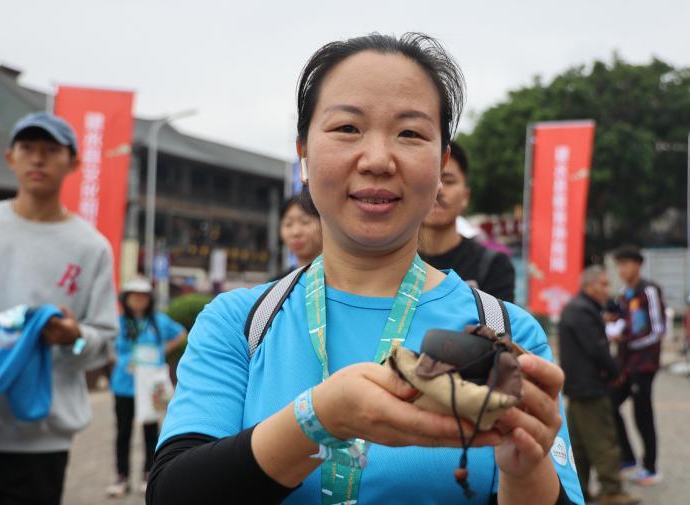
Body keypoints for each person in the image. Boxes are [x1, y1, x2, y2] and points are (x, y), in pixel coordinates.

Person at [146, 33, 584, 505]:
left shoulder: (507, 333)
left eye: (410, 133)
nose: (377, 160)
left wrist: (525, 470)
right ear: (303, 154)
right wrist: (319, 419)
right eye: (347, 128)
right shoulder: (238, 322)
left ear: (441, 164)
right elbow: (172, 494)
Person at [0, 112, 119, 505]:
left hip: (41, 438)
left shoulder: (91, 247)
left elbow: (103, 342)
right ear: (10, 157)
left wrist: (74, 337)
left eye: (50, 149)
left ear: (73, 162)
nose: (38, 158)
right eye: (27, 148)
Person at [559, 266, 639, 505]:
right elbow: (597, 348)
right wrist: (616, 371)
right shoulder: (583, 310)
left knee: (579, 444)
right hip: (590, 387)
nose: (607, 289)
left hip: (577, 387)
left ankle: (579, 490)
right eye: (603, 284)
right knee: (603, 440)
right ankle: (611, 490)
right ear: (589, 285)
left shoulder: (578, 308)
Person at [106, 277, 187, 497]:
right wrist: (118, 360)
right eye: (135, 296)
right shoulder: (119, 322)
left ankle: (148, 474)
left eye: (143, 296)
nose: (139, 300)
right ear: (126, 299)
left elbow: (181, 333)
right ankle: (122, 476)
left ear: (150, 299)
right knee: (123, 432)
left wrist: (163, 349)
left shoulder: (159, 321)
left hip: (151, 385)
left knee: (151, 432)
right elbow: (107, 344)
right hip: (124, 384)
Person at [419, 141, 516, 302]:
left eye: (448, 181)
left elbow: (498, 319)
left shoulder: (493, 266)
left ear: (465, 196)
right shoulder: (390, 262)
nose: (439, 189)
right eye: (429, 179)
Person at [610, 246, 664, 485]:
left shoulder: (649, 290)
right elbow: (622, 322)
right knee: (609, 404)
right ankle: (628, 458)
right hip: (623, 364)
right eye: (619, 265)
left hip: (643, 364)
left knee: (643, 415)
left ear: (638, 265)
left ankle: (651, 467)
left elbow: (657, 329)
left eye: (626, 264)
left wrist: (628, 340)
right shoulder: (624, 294)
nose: (622, 270)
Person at [279, 190, 323, 272]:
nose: (295, 232)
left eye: (305, 222)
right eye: (288, 224)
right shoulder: (282, 280)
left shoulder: (342, 277)